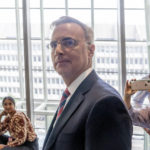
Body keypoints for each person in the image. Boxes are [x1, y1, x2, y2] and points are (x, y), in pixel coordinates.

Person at [42, 16, 132, 150]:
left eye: (69, 42)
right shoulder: (72, 95)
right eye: (53, 45)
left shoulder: (106, 103)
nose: (58, 51)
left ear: (91, 50)